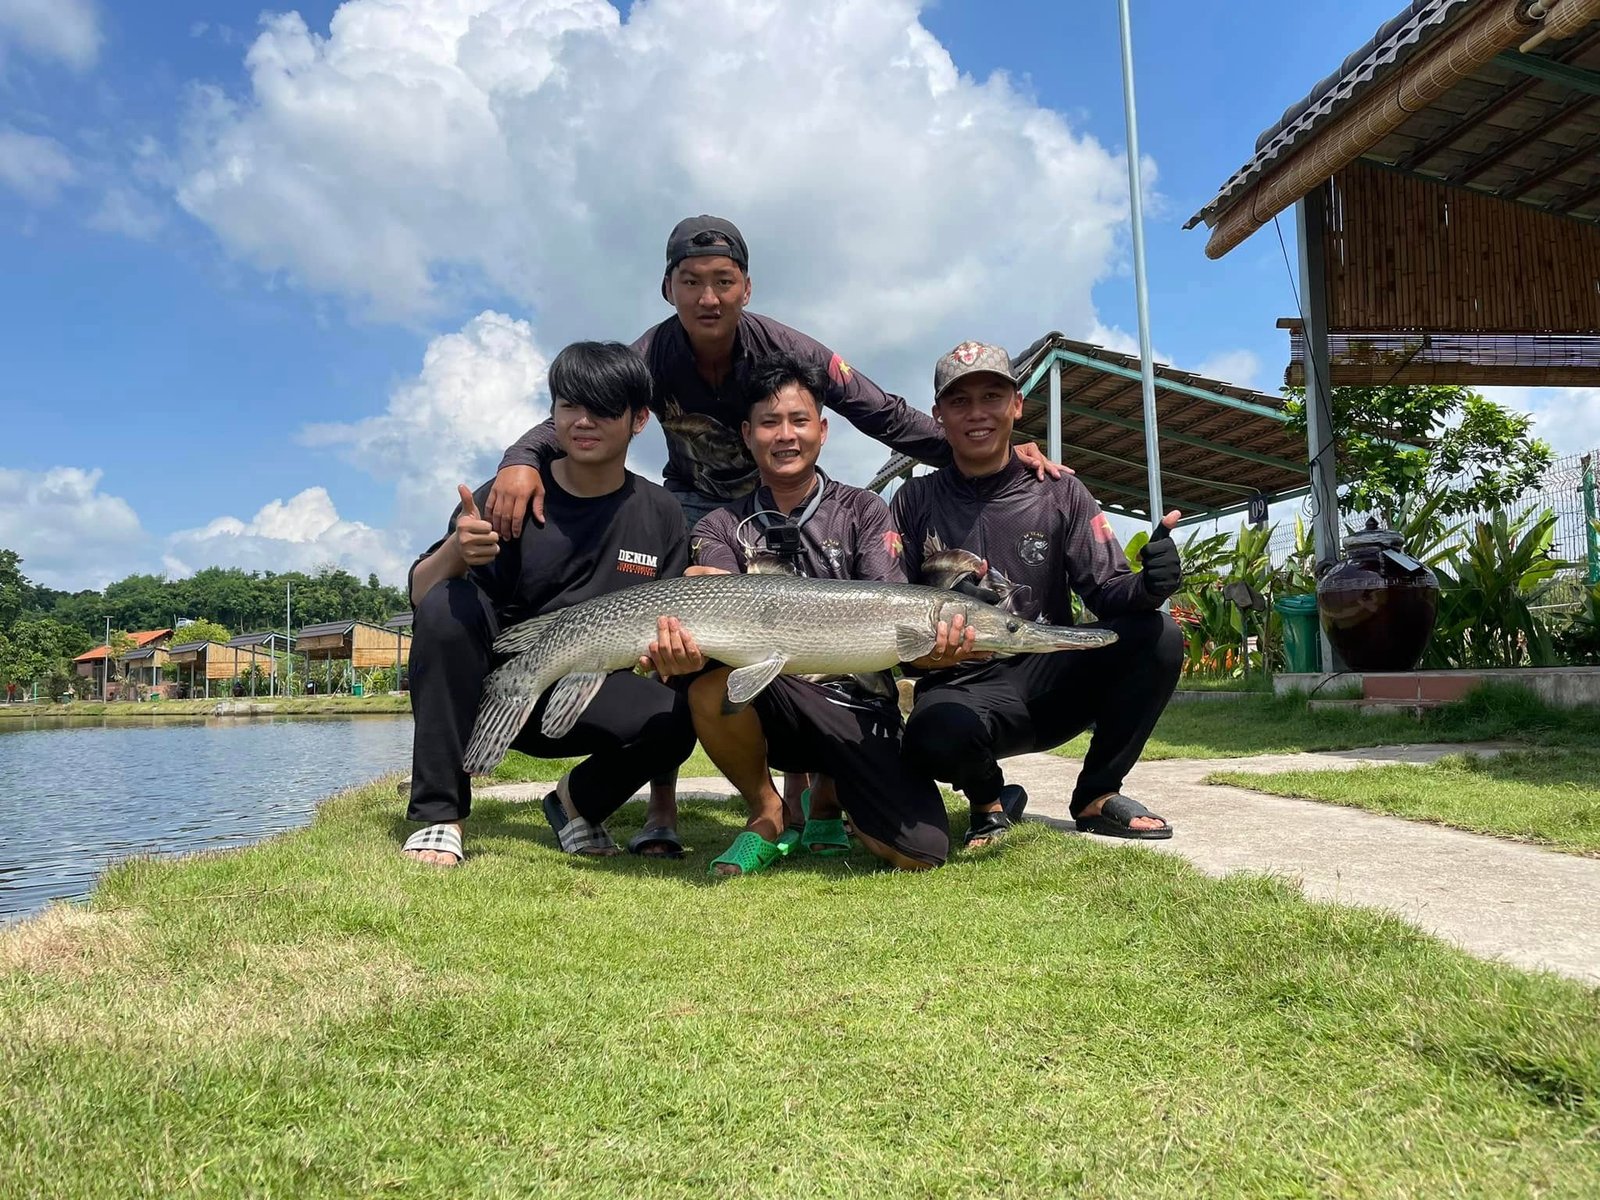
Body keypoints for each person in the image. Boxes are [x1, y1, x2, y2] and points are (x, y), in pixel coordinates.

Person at [481, 216, 1064, 853]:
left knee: (802, 628)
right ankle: (663, 812)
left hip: (789, 497)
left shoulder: (793, 355)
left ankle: (818, 799)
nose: (709, 297)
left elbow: (882, 411)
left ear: (747, 288)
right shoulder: (650, 354)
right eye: (692, 282)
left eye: (723, 281)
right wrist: (520, 456)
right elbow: (588, 405)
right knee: (682, 652)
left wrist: (982, 451)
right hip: (697, 504)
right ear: (667, 287)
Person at [402, 341, 706, 867]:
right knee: (446, 604)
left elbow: (669, 621)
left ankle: (575, 804)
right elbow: (420, 595)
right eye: (569, 406)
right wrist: (456, 550)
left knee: (680, 716)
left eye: (604, 408)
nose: (583, 422)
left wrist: (677, 652)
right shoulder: (507, 495)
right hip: (489, 691)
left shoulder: (661, 512)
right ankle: (440, 815)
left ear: (639, 420)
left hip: (581, 695)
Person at [893, 341, 1184, 847]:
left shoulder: (1059, 491)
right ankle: (989, 801)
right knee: (931, 733)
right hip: (960, 690)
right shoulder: (915, 500)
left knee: (1157, 635)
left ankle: (1097, 794)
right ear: (938, 415)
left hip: (1049, 680)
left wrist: (1149, 582)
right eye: (959, 402)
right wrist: (927, 658)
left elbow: (1108, 590)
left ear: (1017, 404)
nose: (977, 413)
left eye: (992, 396)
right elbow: (890, 603)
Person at [684, 352, 949, 875]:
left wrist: (938, 644)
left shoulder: (864, 510)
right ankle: (767, 812)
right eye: (769, 422)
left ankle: (827, 801)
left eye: (799, 420)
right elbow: (710, 596)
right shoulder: (718, 525)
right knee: (708, 687)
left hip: (857, 704)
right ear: (747, 433)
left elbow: (893, 612)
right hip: (770, 693)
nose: (785, 435)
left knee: (920, 854)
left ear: (822, 430)